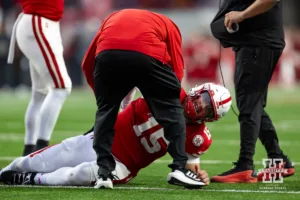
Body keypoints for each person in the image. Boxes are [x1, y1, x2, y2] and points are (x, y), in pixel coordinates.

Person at [0, 83, 232, 187]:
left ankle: (31, 180)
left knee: (77, 174)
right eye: (203, 100)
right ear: (197, 91)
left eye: (208, 108)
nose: (201, 107)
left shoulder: (199, 137)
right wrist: (122, 105)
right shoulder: (170, 90)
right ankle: (6, 172)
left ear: (212, 117)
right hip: (103, 139)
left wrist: (199, 175)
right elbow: (133, 78)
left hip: (123, 164)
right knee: (39, 160)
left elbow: (191, 165)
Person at [82, 8, 206, 189]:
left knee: (106, 112)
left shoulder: (112, 17)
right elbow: (177, 66)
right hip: (147, 55)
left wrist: (103, 100)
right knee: (172, 108)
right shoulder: (168, 24)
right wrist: (171, 97)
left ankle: (103, 173)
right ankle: (179, 167)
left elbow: (87, 62)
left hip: (107, 55)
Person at [210, 0, 295, 183]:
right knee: (252, 104)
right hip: (255, 42)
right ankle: (278, 160)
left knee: (249, 103)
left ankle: (245, 166)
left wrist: (241, 15)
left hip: (258, 43)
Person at [7, 0, 72, 156]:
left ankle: (29, 150)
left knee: (40, 93)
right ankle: (40, 151)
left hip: (44, 23)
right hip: (38, 21)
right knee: (61, 87)